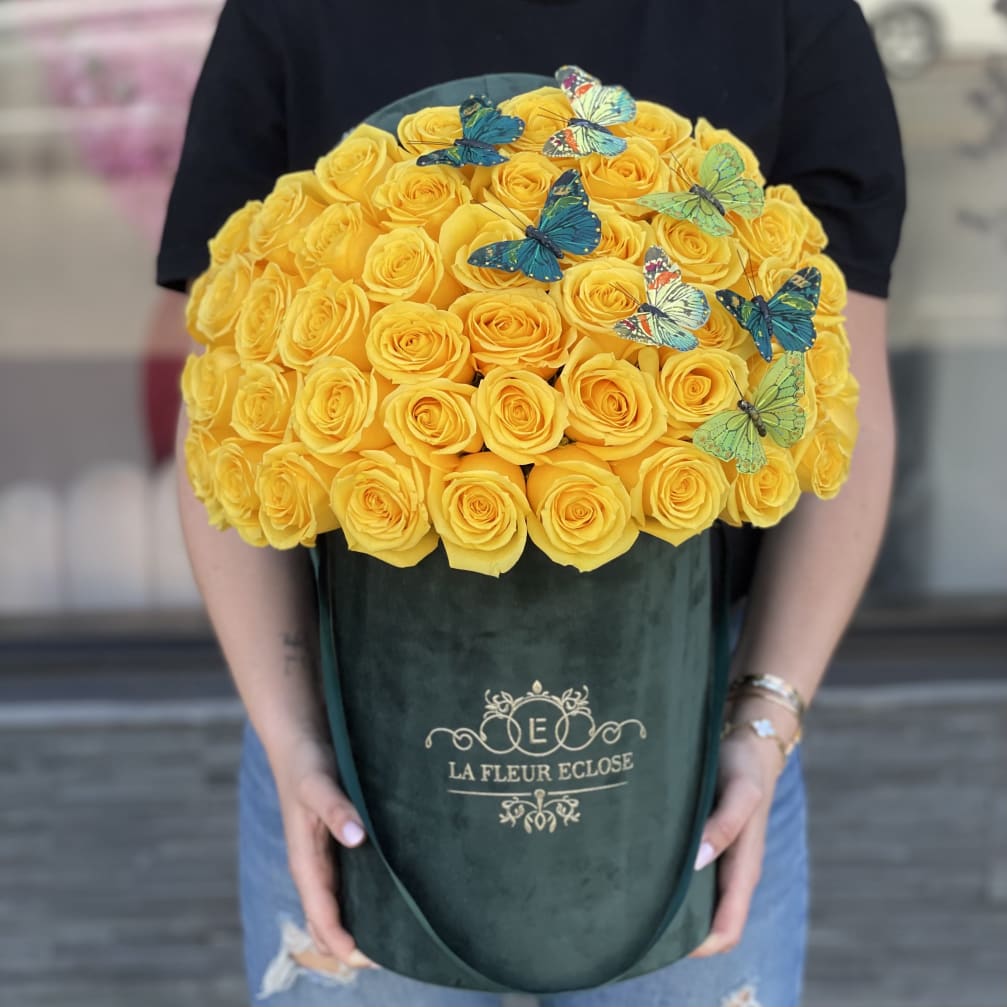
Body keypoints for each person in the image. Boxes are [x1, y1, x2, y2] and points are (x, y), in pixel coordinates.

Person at [157, 0, 905, 1003]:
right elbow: (229, 402)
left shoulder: (781, 15)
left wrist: (763, 717)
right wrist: (292, 734)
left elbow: (836, 400)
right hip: (345, 745)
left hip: (692, 742)